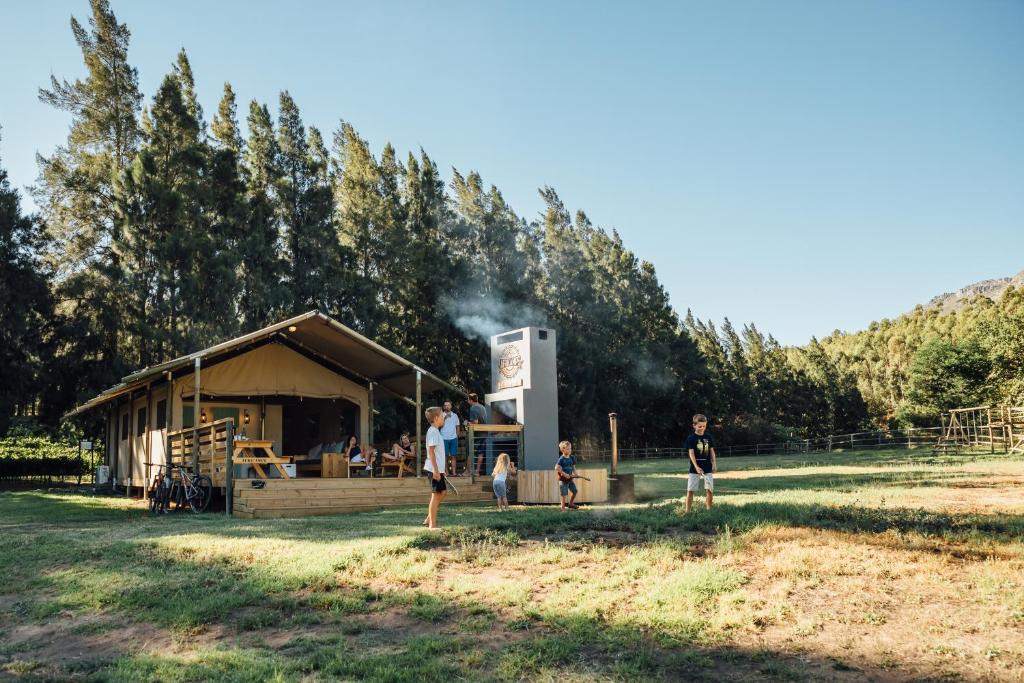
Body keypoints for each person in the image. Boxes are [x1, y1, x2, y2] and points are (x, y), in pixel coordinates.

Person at [421, 406, 448, 529]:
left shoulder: (436, 431)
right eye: (442, 416)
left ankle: (428, 518)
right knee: (436, 495)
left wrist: (442, 470)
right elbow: (431, 451)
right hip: (433, 470)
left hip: (438, 469)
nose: (444, 418)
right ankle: (432, 525)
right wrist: (436, 470)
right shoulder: (433, 431)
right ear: (436, 418)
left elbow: (437, 453)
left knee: (443, 492)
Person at [685, 414, 717, 512]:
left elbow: (711, 451)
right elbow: (691, 453)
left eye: (704, 426)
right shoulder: (691, 438)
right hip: (695, 468)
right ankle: (688, 511)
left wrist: (714, 463)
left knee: (709, 490)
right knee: (690, 490)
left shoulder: (708, 437)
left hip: (707, 467)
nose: (702, 428)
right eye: (700, 426)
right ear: (694, 425)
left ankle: (709, 510)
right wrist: (696, 467)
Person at [467, 393, 490, 475]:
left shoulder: (473, 408)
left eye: (468, 399)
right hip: (484, 433)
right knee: (480, 453)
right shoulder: (482, 407)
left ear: (470, 400)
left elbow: (475, 422)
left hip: (477, 434)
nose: (467, 401)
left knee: (471, 452)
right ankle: (477, 472)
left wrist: (468, 423)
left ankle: (468, 472)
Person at [555, 440, 579, 511]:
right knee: (564, 494)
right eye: (568, 449)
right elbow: (556, 467)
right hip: (563, 480)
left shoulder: (572, 458)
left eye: (570, 448)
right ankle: (562, 508)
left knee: (575, 491)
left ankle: (571, 503)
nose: (570, 450)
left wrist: (576, 474)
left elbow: (573, 468)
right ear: (563, 449)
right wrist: (564, 474)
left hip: (570, 479)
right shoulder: (561, 459)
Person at [440, 400, 461, 475]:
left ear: (451, 406)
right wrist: (444, 418)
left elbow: (457, 426)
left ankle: (454, 473)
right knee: (444, 456)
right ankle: (447, 472)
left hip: (453, 438)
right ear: (443, 407)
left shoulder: (455, 415)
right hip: (443, 438)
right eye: (445, 405)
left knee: (454, 456)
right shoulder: (441, 415)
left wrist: (457, 434)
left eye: (448, 405)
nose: (447, 406)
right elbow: (439, 426)